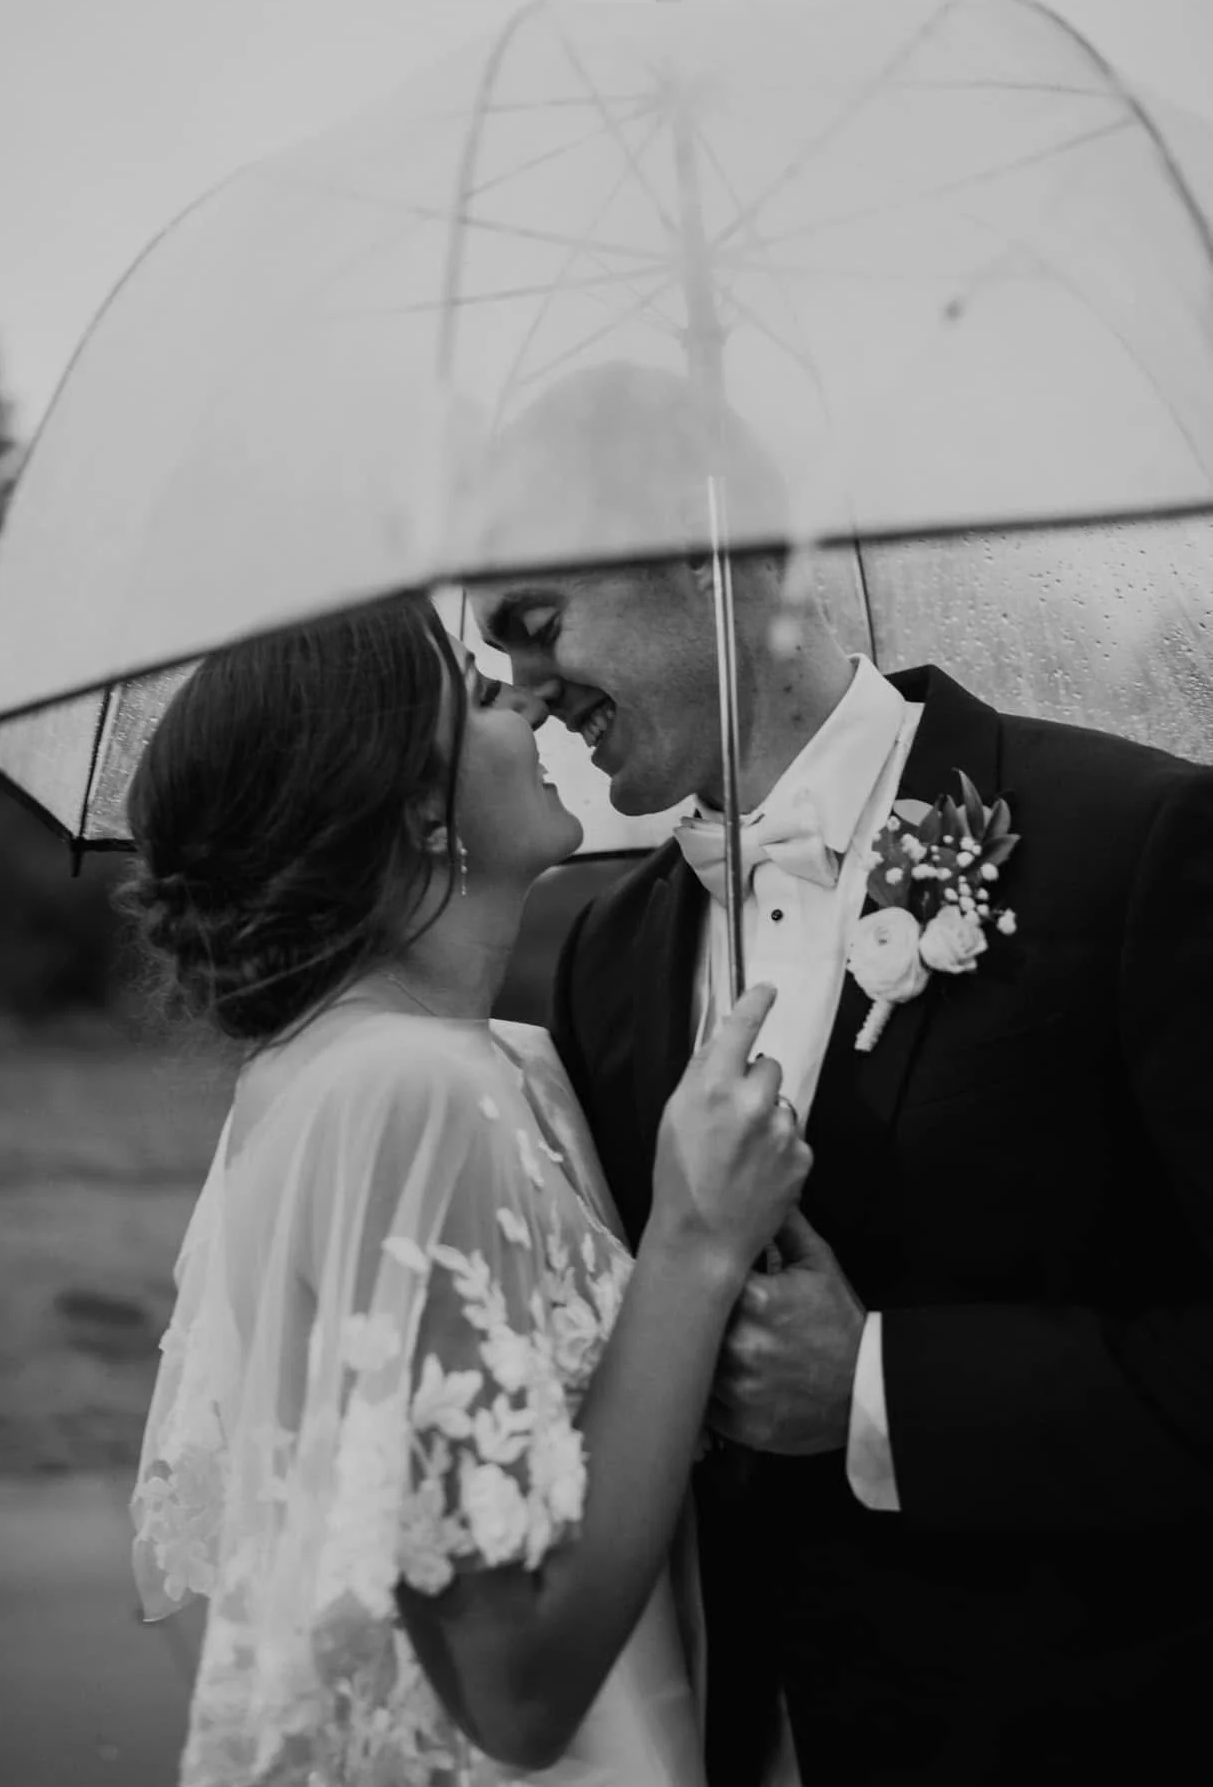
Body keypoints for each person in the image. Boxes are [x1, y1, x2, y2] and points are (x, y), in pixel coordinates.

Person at [471, 359, 1213, 1787]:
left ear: (710, 554)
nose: (524, 692)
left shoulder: (1134, 849)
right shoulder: (602, 961)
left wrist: (882, 1387)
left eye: (534, 622)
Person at [123, 594, 811, 1787]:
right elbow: (516, 1686)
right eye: (482, 694)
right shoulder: (402, 1091)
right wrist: (694, 1243)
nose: (530, 692)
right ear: (416, 808)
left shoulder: (460, 1065)